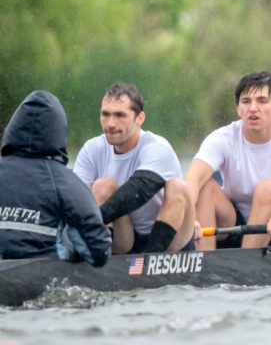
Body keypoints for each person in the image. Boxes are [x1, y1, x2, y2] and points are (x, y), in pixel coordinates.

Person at [0, 90, 111, 265]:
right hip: (46, 273)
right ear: (58, 132)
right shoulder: (68, 184)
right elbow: (97, 250)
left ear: (13, 129)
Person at [185, 71, 271, 249]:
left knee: (267, 189)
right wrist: (188, 215)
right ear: (238, 109)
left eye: (262, 101)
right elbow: (193, 178)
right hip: (237, 227)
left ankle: (244, 262)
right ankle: (203, 262)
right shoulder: (221, 138)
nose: (253, 108)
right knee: (205, 187)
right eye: (246, 101)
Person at [73, 83, 196, 254]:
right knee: (102, 186)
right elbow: (75, 202)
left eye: (120, 115)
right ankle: (97, 256)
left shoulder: (157, 147)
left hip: (171, 242)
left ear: (139, 118)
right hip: (126, 238)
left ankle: (150, 259)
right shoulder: (92, 149)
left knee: (178, 187)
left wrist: (88, 222)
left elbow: (138, 192)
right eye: (105, 114)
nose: (110, 124)